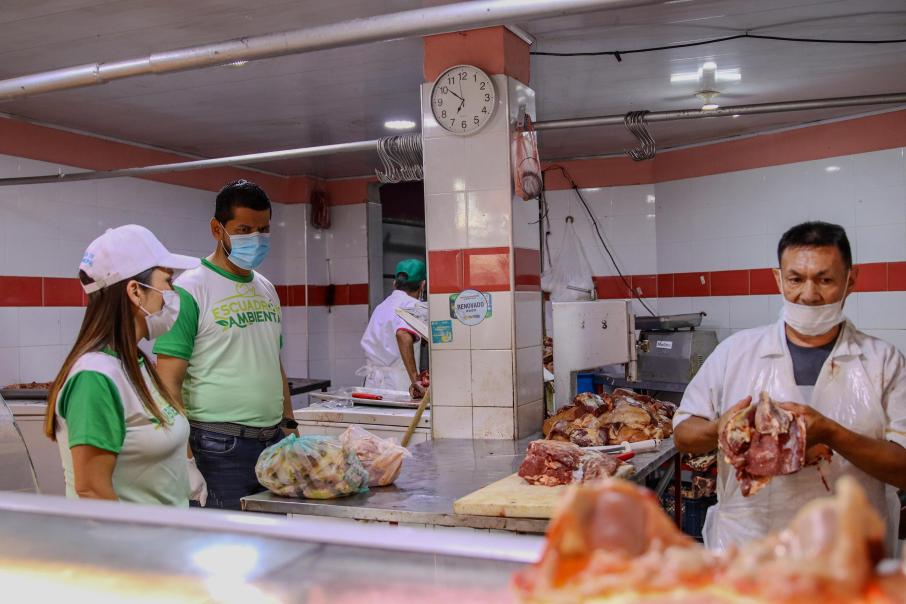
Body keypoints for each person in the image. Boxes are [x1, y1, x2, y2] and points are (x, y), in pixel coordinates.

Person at [674, 221, 906, 552]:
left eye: (825, 280)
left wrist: (831, 433)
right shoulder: (735, 352)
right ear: (778, 278)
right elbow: (683, 435)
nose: (809, 295)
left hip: (847, 555)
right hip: (750, 551)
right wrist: (720, 428)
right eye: (796, 279)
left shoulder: (883, 362)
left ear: (850, 280)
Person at [154, 180, 295, 510]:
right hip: (217, 448)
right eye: (244, 229)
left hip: (272, 442)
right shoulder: (189, 289)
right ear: (217, 229)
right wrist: (185, 459)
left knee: (274, 549)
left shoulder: (266, 289)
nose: (256, 240)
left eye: (263, 230)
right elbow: (167, 383)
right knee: (226, 554)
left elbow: (274, 362)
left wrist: (289, 426)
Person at [44, 224, 201, 505]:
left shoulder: (136, 363)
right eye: (167, 282)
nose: (172, 293)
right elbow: (92, 491)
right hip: (126, 547)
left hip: (162, 543)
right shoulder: (96, 377)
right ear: (135, 291)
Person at [359, 259, 427, 398]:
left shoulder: (382, 306)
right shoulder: (413, 305)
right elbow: (402, 334)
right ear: (423, 285)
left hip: (372, 384)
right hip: (398, 385)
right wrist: (416, 380)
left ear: (394, 283)